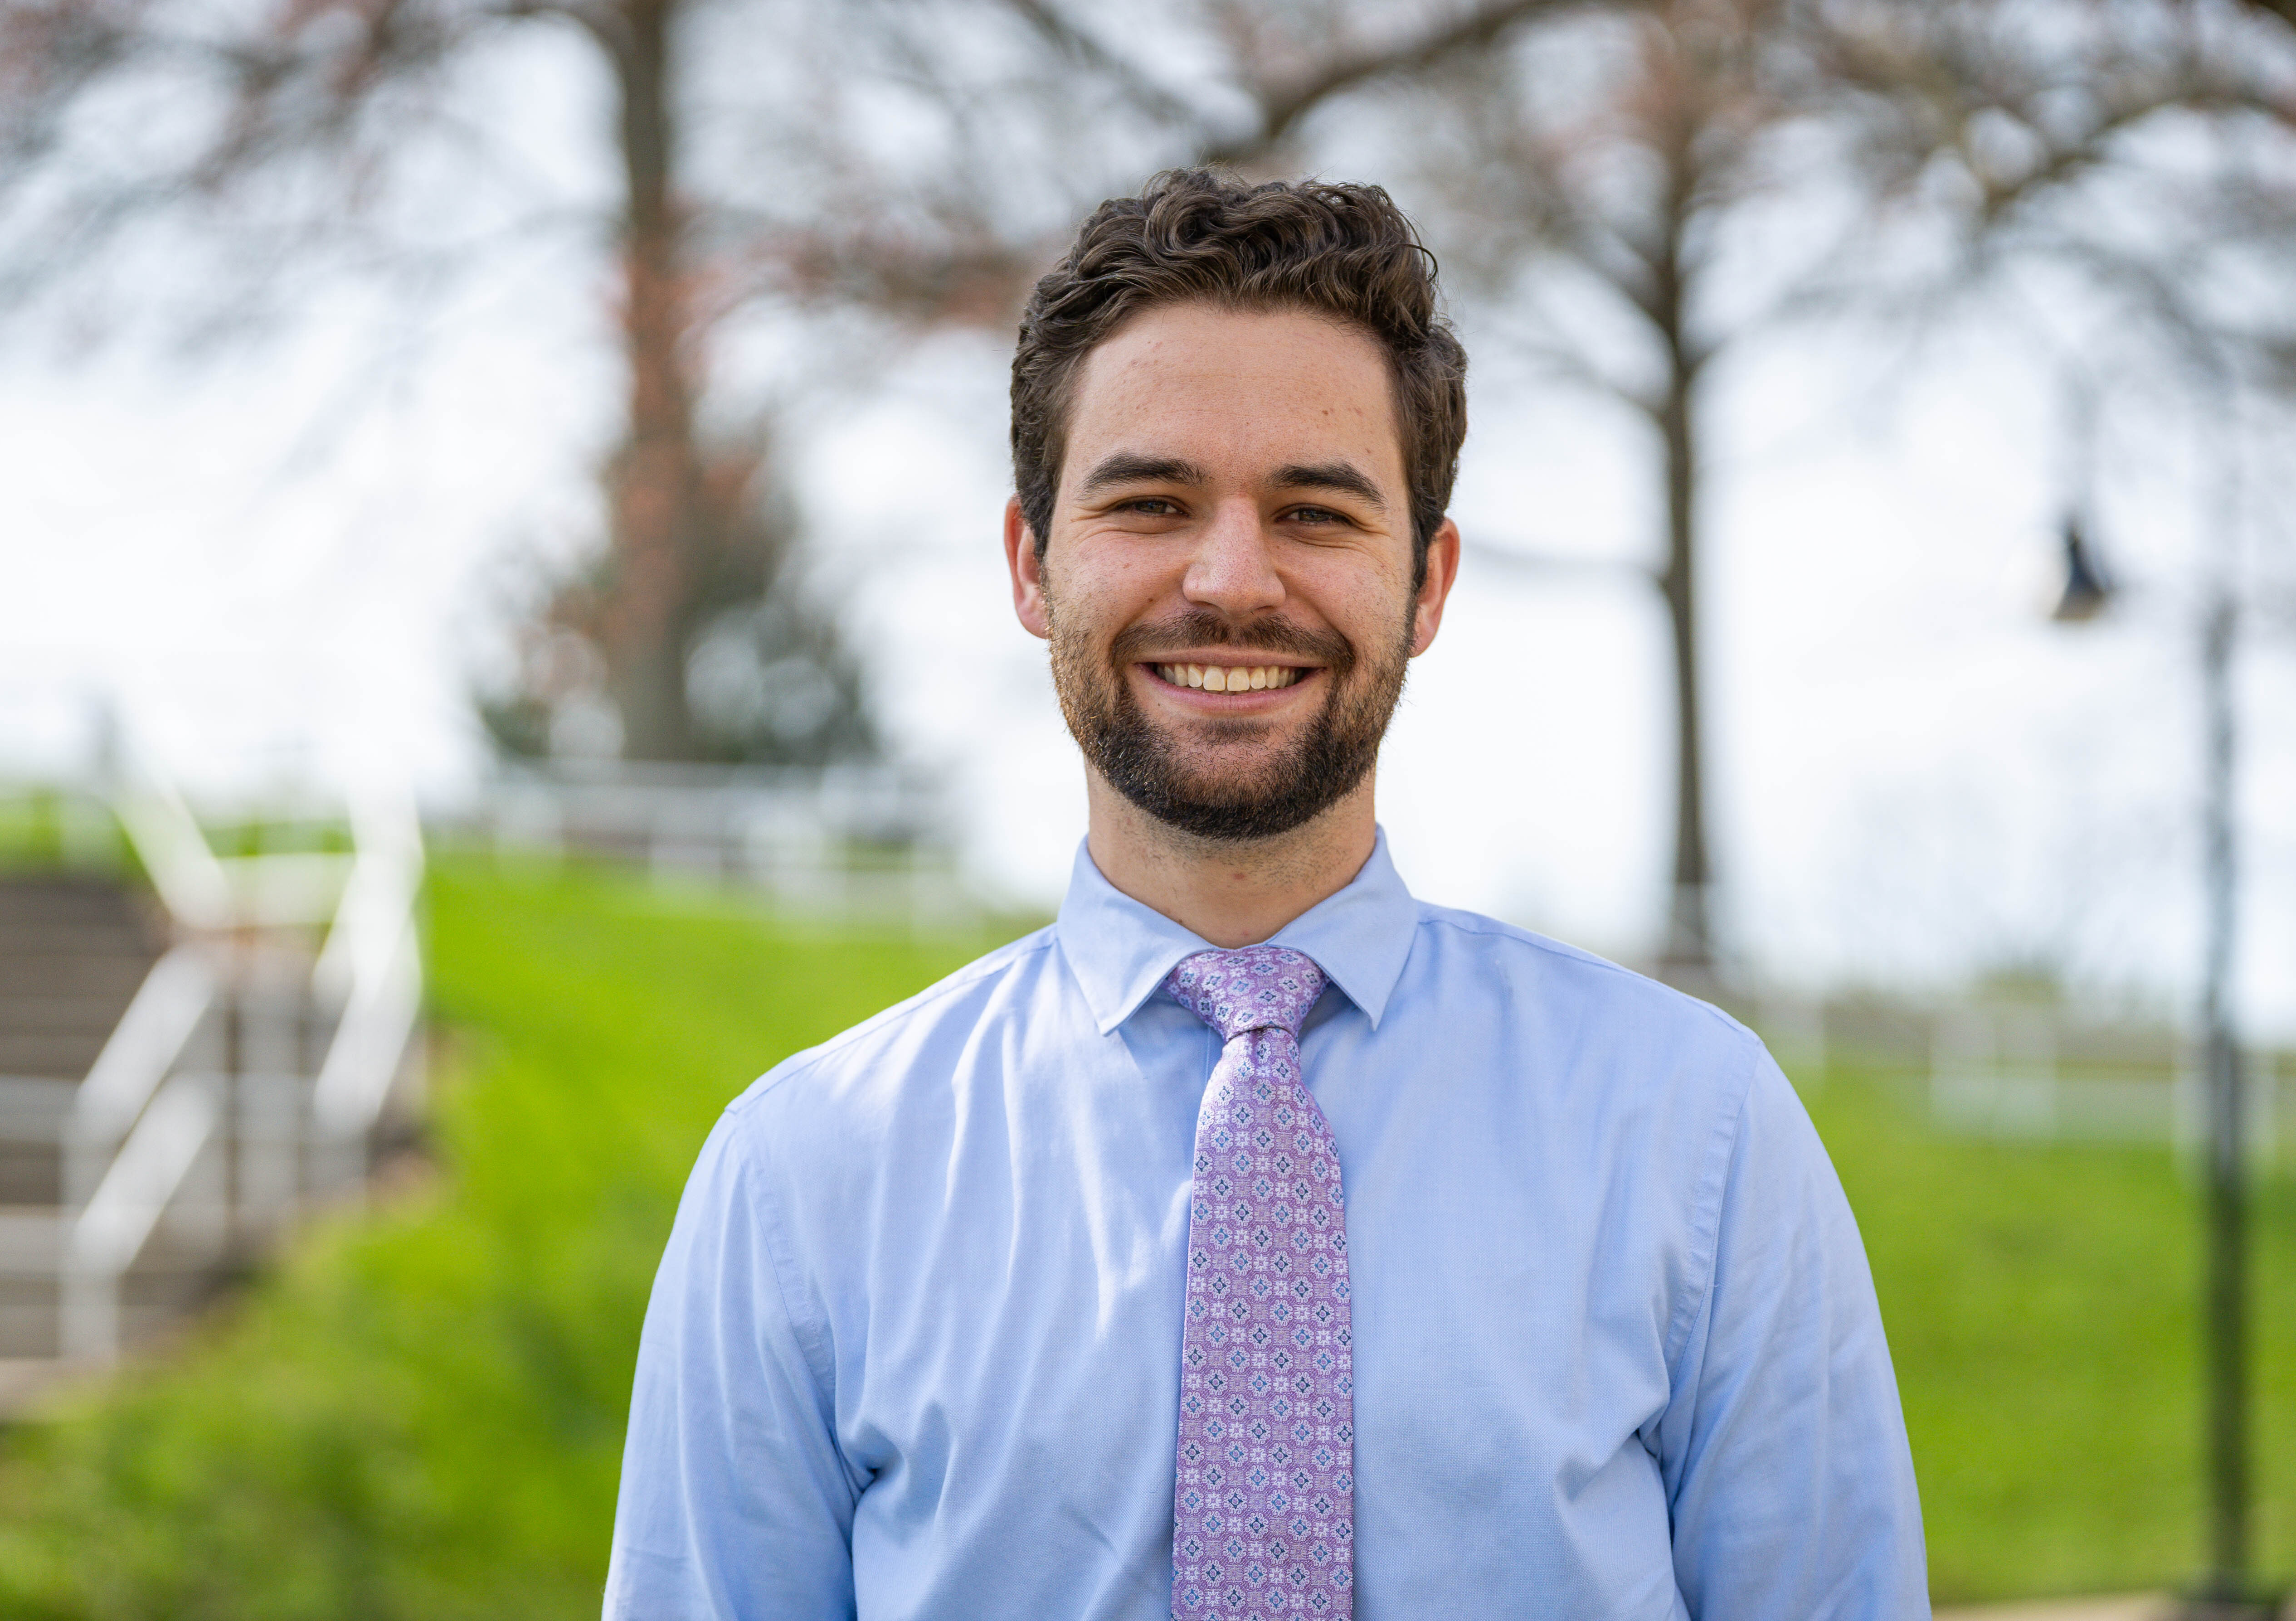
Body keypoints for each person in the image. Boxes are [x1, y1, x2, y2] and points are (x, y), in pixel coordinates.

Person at [604, 168, 1926, 1621]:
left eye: (1314, 511)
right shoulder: (803, 1181)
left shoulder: (1697, 1137)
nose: (1233, 580)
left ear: (1426, 585)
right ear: (1033, 564)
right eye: (1151, 500)